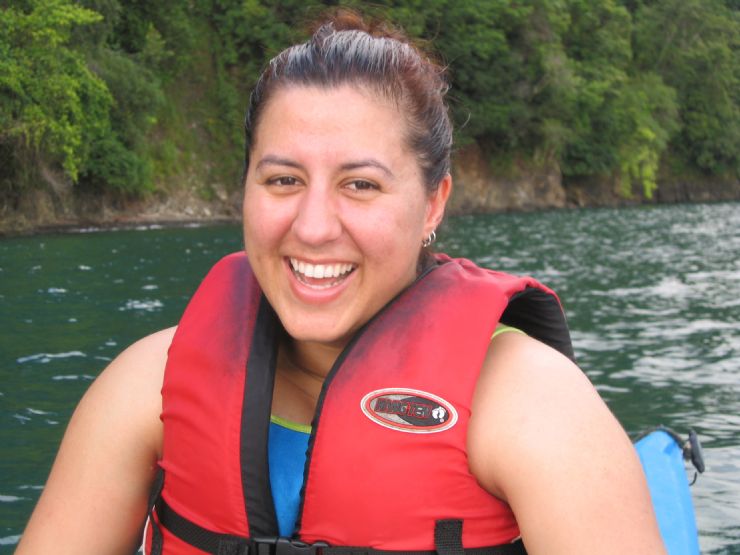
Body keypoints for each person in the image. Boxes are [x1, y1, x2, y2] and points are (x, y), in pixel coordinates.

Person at [16, 11, 666, 555]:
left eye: (361, 184)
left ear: (433, 203)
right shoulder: (141, 389)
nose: (315, 225)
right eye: (282, 180)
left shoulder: (533, 408)